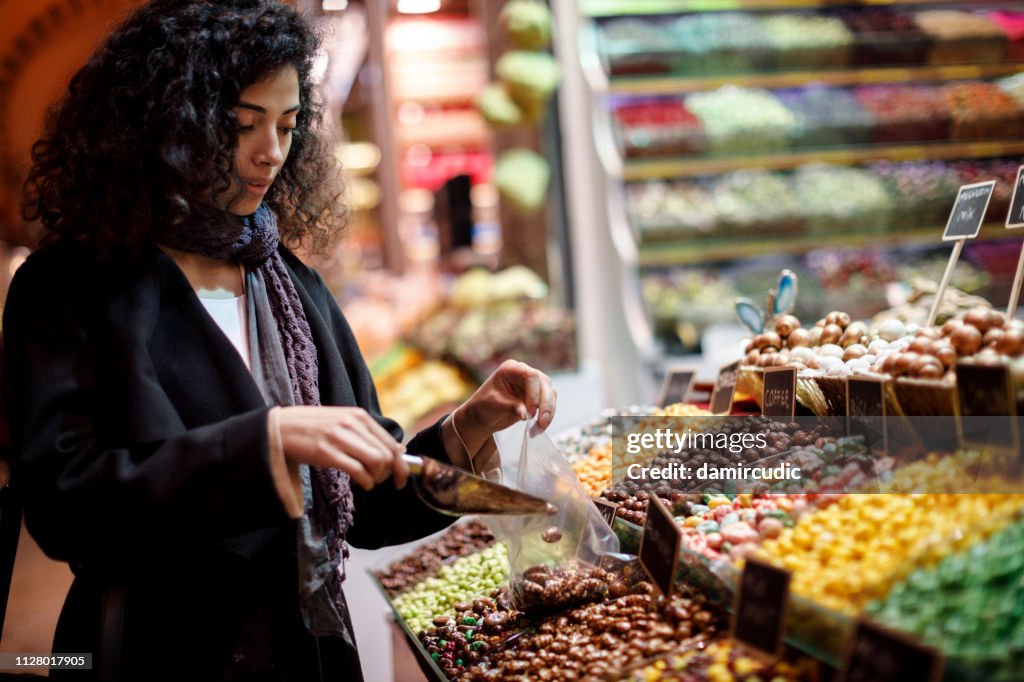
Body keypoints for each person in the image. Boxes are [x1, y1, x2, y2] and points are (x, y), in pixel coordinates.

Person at [4, 1, 557, 680]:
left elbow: (366, 505)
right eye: (241, 125)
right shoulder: (68, 287)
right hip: (156, 652)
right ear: (164, 124)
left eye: (289, 125)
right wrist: (260, 446)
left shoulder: (289, 285)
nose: (270, 151)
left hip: (305, 652)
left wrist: (470, 427)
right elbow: (65, 507)